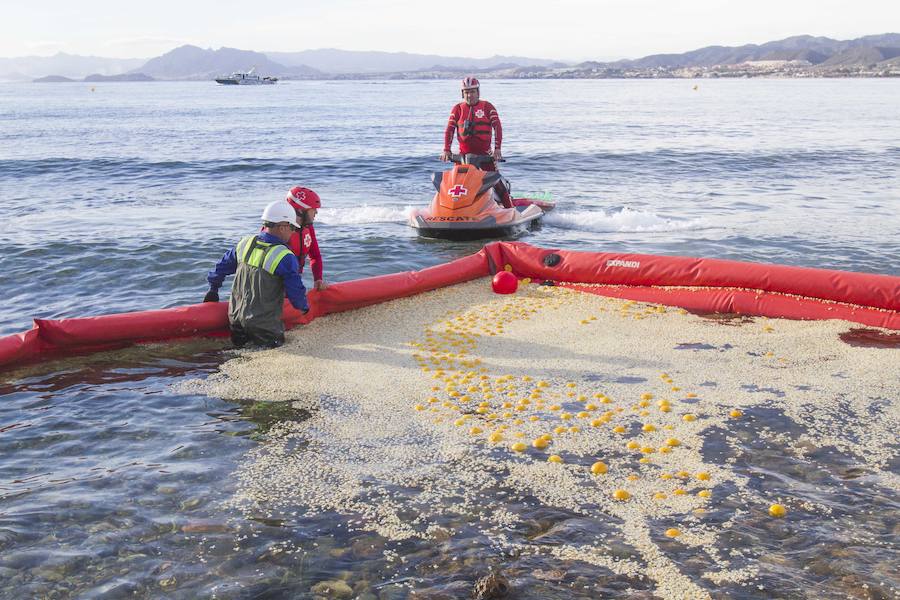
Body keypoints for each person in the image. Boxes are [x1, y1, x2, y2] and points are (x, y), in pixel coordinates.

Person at [203, 200, 310, 348]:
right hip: (264, 326)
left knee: (238, 357)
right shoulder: (284, 256)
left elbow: (220, 268)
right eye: (292, 227)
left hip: (236, 319)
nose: (293, 232)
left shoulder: (244, 243)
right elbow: (295, 291)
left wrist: (213, 289)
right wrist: (304, 307)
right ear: (282, 227)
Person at [440, 76, 511, 207]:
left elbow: (497, 127)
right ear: (462, 94)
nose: (469, 95)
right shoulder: (458, 109)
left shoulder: (487, 107)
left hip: (485, 156)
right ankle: (452, 208)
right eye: (466, 92)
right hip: (463, 157)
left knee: (496, 182)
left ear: (478, 92)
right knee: (454, 185)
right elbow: (449, 129)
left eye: (472, 91)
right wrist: (446, 150)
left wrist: (497, 149)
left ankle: (510, 208)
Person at [284, 186, 327, 291]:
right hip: (275, 287)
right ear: (300, 210)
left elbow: (315, 256)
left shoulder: (308, 227)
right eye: (313, 209)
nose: (316, 213)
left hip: (294, 282)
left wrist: (318, 279)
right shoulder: (279, 230)